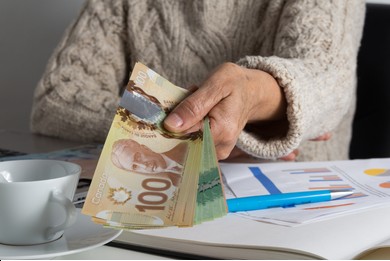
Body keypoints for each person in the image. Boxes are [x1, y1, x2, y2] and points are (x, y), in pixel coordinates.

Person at [30, 0, 366, 162]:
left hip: (295, 214)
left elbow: (328, 79)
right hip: (153, 198)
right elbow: (57, 98)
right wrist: (186, 136)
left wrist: (249, 95)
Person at [111, 138, 188, 186]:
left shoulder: (186, 147)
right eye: (135, 167)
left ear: (146, 148)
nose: (144, 166)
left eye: (138, 157)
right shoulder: (175, 183)